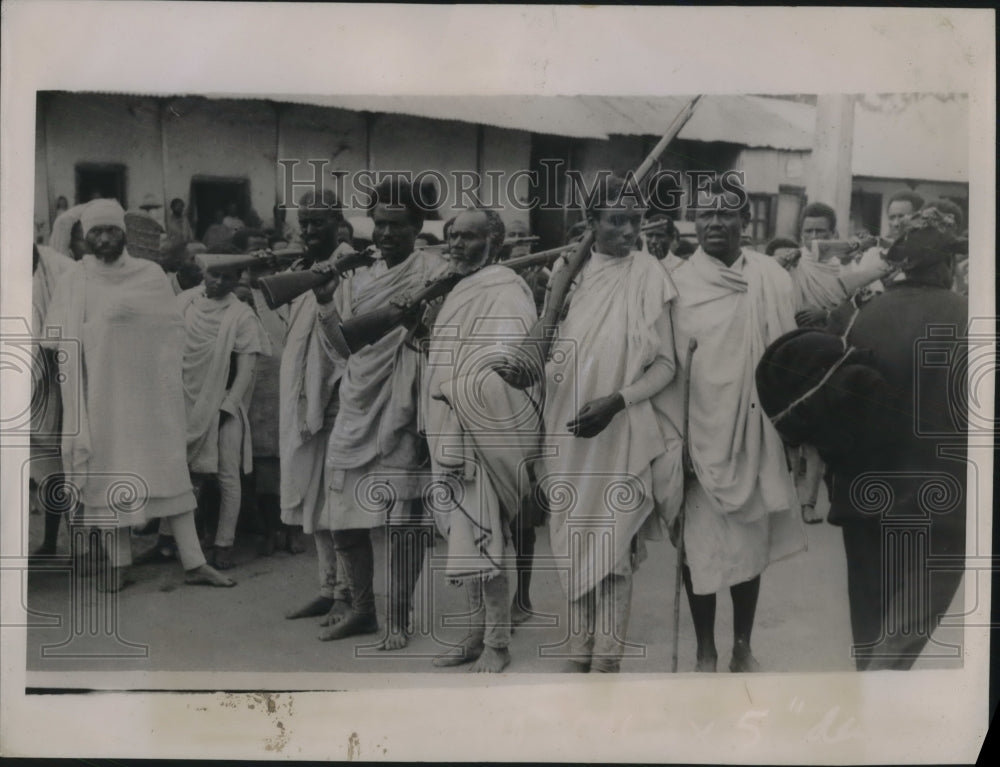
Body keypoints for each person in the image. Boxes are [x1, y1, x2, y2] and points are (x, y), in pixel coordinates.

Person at [759, 210, 967, 670]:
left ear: (900, 265)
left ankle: (869, 712)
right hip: (941, 503)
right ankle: (877, 698)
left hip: (863, 496)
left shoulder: (854, 316)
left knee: (869, 627)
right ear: (944, 267)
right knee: (901, 638)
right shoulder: (970, 317)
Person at [42, 199, 234, 590]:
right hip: (101, 398)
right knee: (110, 474)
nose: (104, 238)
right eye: (96, 231)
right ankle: (119, 562)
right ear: (85, 236)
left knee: (168, 473)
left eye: (111, 230)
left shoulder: (150, 275)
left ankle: (194, 563)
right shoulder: (75, 280)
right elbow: (57, 339)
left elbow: (171, 331)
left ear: (124, 233)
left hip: (151, 398)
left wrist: (121, 324)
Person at [658, 179, 805, 672]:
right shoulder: (674, 282)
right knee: (697, 547)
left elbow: (788, 358)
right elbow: (663, 367)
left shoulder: (771, 279)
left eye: (726, 214)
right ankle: (705, 648)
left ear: (746, 221)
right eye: (704, 214)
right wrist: (670, 438)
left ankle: (742, 645)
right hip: (694, 430)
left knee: (747, 542)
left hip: (753, 430)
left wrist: (788, 431)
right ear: (692, 221)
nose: (714, 222)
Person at [537, 175, 678, 673]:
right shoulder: (566, 274)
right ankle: (579, 647)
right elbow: (543, 349)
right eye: (615, 220)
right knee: (571, 531)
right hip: (565, 425)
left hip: (618, 428)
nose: (628, 231)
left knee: (613, 539)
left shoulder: (650, 274)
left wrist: (617, 401)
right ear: (591, 223)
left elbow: (666, 366)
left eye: (635, 220)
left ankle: (608, 655)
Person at [309, 177, 449, 647]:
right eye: (380, 224)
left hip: (404, 402)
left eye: (397, 225)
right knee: (343, 517)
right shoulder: (356, 277)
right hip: (357, 400)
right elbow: (337, 349)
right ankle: (363, 609)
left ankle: (398, 616)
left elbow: (442, 342)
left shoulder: (435, 274)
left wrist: (421, 325)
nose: (386, 234)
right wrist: (326, 301)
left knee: (402, 522)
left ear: (417, 226)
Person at [420, 207, 540, 672]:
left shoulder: (508, 291)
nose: (456, 244)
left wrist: (453, 389)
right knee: (461, 535)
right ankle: (474, 634)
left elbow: (508, 365)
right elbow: (443, 354)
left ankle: (497, 643)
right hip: (447, 422)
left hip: (485, 427)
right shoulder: (459, 288)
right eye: (451, 236)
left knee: (488, 536)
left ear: (494, 242)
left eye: (468, 237)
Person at [279, 189, 352, 622]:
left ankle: (347, 593)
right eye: (303, 222)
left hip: (337, 399)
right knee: (315, 501)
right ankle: (327, 587)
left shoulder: (350, 266)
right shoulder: (303, 269)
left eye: (318, 222)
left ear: (338, 222)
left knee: (336, 503)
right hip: (307, 396)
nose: (308, 230)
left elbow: (345, 339)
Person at [178, 252, 270, 570]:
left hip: (222, 406)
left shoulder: (240, 315)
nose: (219, 281)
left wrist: (228, 406)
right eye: (214, 274)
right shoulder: (187, 304)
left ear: (237, 280)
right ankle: (175, 543)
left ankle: (224, 544)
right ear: (204, 273)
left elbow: (247, 368)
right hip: (186, 402)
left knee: (227, 476)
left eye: (227, 277)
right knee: (182, 477)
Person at [29, 243, 77, 560]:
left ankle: (68, 545)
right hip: (17, 383)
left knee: (64, 467)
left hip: (56, 381)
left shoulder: (60, 269)